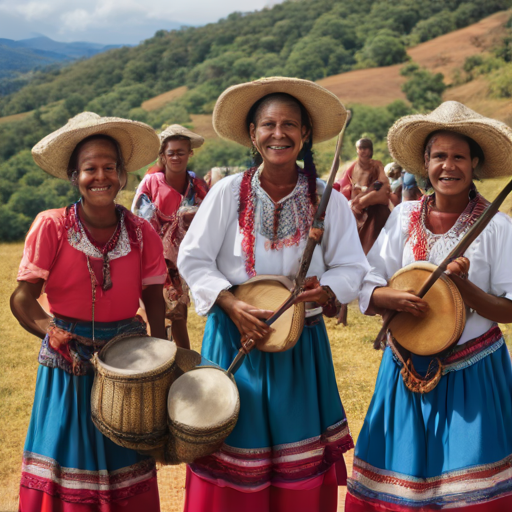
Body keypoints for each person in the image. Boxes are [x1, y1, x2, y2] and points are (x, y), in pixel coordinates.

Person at [177, 77, 369, 512]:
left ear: (305, 135)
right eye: (268, 124)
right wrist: (229, 303)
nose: (278, 134)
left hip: (300, 351)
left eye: (290, 125)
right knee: (231, 463)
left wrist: (327, 289)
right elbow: (194, 259)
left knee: (294, 470)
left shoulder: (327, 200)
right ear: (252, 133)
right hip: (234, 340)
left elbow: (354, 267)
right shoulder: (229, 193)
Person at [346, 101, 512, 511]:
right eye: (439, 156)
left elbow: (509, 308)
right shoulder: (403, 217)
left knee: (470, 489)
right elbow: (367, 280)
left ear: (475, 163)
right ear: (425, 161)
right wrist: (388, 297)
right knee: (401, 485)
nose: (448, 166)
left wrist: (463, 287)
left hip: (474, 373)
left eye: (459, 156)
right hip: (404, 370)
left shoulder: (497, 226)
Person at [10, 112, 167, 511]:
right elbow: (23, 299)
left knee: (126, 453)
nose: (101, 177)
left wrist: (164, 362)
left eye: (109, 167)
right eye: (90, 168)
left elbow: (153, 300)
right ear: (74, 175)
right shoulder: (52, 226)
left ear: (123, 174)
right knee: (67, 457)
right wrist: (49, 328)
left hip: (127, 362)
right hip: (70, 361)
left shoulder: (140, 231)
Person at [132, 124, 208, 349]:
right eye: (171, 153)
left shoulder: (198, 186)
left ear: (190, 153)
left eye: (181, 152)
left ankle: (184, 363)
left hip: (188, 260)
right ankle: (168, 363)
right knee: (164, 318)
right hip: (155, 261)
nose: (176, 157)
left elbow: (210, 221)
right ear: (163, 156)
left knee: (179, 317)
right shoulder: (151, 183)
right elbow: (138, 222)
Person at [334, 137, 391, 254]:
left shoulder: (376, 165)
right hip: (353, 208)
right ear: (357, 150)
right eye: (361, 148)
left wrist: (366, 197)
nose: (363, 151)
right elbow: (341, 185)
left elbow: (383, 184)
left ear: (370, 150)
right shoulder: (351, 167)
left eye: (366, 148)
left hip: (374, 208)